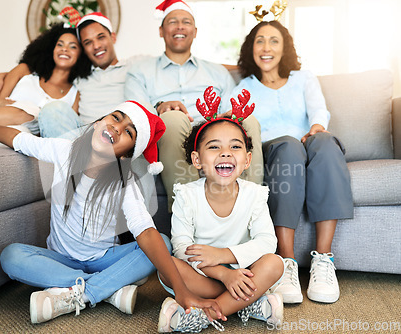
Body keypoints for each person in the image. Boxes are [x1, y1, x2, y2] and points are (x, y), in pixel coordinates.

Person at [0, 101, 226, 325]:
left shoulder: (125, 181)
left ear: (126, 155)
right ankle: (108, 290)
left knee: (162, 243)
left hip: (103, 258)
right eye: (115, 118)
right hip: (59, 259)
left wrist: (182, 291)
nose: (116, 128)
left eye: (127, 132)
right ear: (99, 121)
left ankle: (84, 293)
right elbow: (19, 140)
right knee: (11, 256)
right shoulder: (65, 151)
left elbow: (145, 231)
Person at [233, 20, 354, 304]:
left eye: (274, 40)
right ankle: (285, 262)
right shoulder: (244, 87)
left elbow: (318, 110)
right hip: (277, 150)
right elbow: (219, 113)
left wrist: (315, 128)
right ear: (251, 48)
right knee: (288, 145)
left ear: (285, 47)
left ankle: (323, 261)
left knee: (325, 141)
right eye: (260, 40)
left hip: (308, 142)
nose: (266, 47)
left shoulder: (303, 78)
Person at [157, 88, 284, 333]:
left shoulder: (254, 195)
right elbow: (182, 248)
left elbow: (267, 242)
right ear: (197, 160)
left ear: (247, 160)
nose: (225, 152)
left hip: (244, 272)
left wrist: (223, 254)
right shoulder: (186, 195)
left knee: (274, 264)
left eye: (235, 147)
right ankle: (246, 303)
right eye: (214, 147)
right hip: (207, 276)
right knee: (168, 267)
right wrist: (223, 275)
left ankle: (204, 314)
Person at [124, 0, 264, 213]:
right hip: (168, 133)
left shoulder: (217, 72)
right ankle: (187, 214)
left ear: (195, 31)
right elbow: (134, 113)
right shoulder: (139, 71)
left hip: (212, 133)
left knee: (248, 120)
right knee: (173, 117)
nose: (180, 26)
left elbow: (231, 110)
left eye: (186, 22)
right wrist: (160, 107)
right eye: (173, 21)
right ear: (161, 31)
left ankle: (254, 211)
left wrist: (228, 117)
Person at [0, 12, 143, 139]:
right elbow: (50, 73)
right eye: (88, 42)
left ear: (112, 37)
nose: (96, 46)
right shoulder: (82, 78)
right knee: (52, 110)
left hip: (118, 133)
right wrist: (3, 76)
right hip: (81, 136)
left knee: (20, 129)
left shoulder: (136, 65)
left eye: (101, 37)